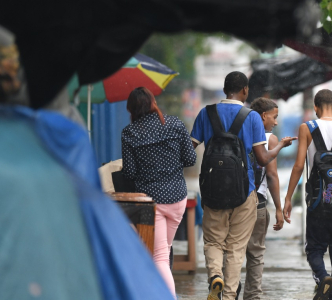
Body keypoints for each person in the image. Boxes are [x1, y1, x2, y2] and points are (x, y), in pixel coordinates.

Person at [190, 71, 295, 300]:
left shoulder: (205, 113)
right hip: (244, 191)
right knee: (237, 248)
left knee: (213, 241)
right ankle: (228, 296)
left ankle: (215, 275)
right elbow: (262, 159)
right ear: (245, 90)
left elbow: (189, 151)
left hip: (212, 191)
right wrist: (279, 148)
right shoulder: (252, 117)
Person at [284, 89, 332, 300]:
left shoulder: (306, 128)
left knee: (314, 250)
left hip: (317, 202)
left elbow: (299, 166)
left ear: (315, 109)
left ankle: (322, 276)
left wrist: (288, 197)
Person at [121, 87, 197, 298]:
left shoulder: (130, 133)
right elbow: (191, 159)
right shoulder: (174, 124)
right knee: (164, 251)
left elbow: (129, 172)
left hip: (150, 202)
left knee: (160, 256)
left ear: (132, 109)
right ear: (153, 102)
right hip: (177, 198)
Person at [237, 97, 284, 300]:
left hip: (236, 201)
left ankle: (229, 288)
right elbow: (272, 176)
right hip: (258, 203)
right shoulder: (269, 138)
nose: (275, 122)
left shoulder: (240, 132)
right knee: (255, 254)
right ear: (263, 116)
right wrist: (280, 209)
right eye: (274, 117)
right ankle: (252, 296)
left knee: (233, 250)